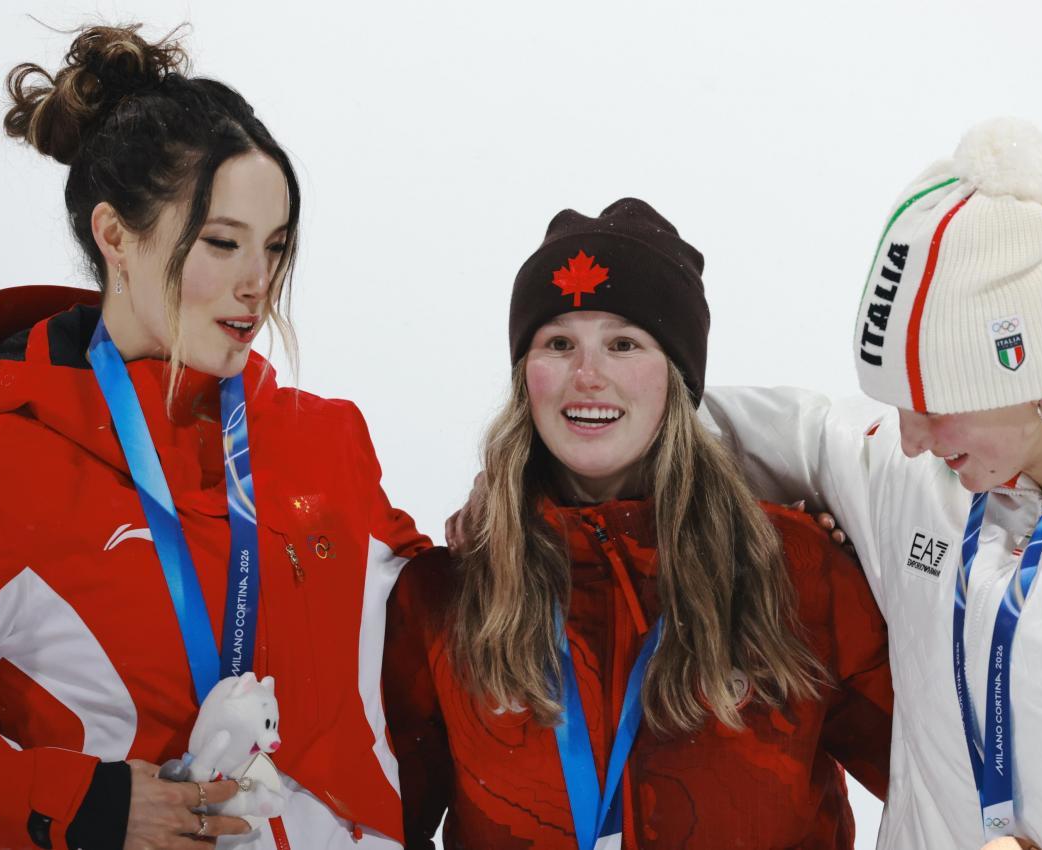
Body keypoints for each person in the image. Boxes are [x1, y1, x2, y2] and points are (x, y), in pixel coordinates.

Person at [700, 118, 1042, 848]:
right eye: (897, 405)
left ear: (1037, 381)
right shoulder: (915, 480)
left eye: (934, 407)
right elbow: (707, 431)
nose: (909, 439)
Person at [0, 25, 430, 849]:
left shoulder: (323, 439)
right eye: (221, 243)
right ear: (115, 236)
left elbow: (443, 662)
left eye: (276, 248)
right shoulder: (5, 460)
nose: (256, 284)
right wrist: (86, 805)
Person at [382, 198, 893, 849]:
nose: (587, 375)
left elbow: (936, 784)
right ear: (524, 379)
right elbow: (378, 827)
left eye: (623, 344)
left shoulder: (795, 573)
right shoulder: (444, 597)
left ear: (676, 379)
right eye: (558, 344)